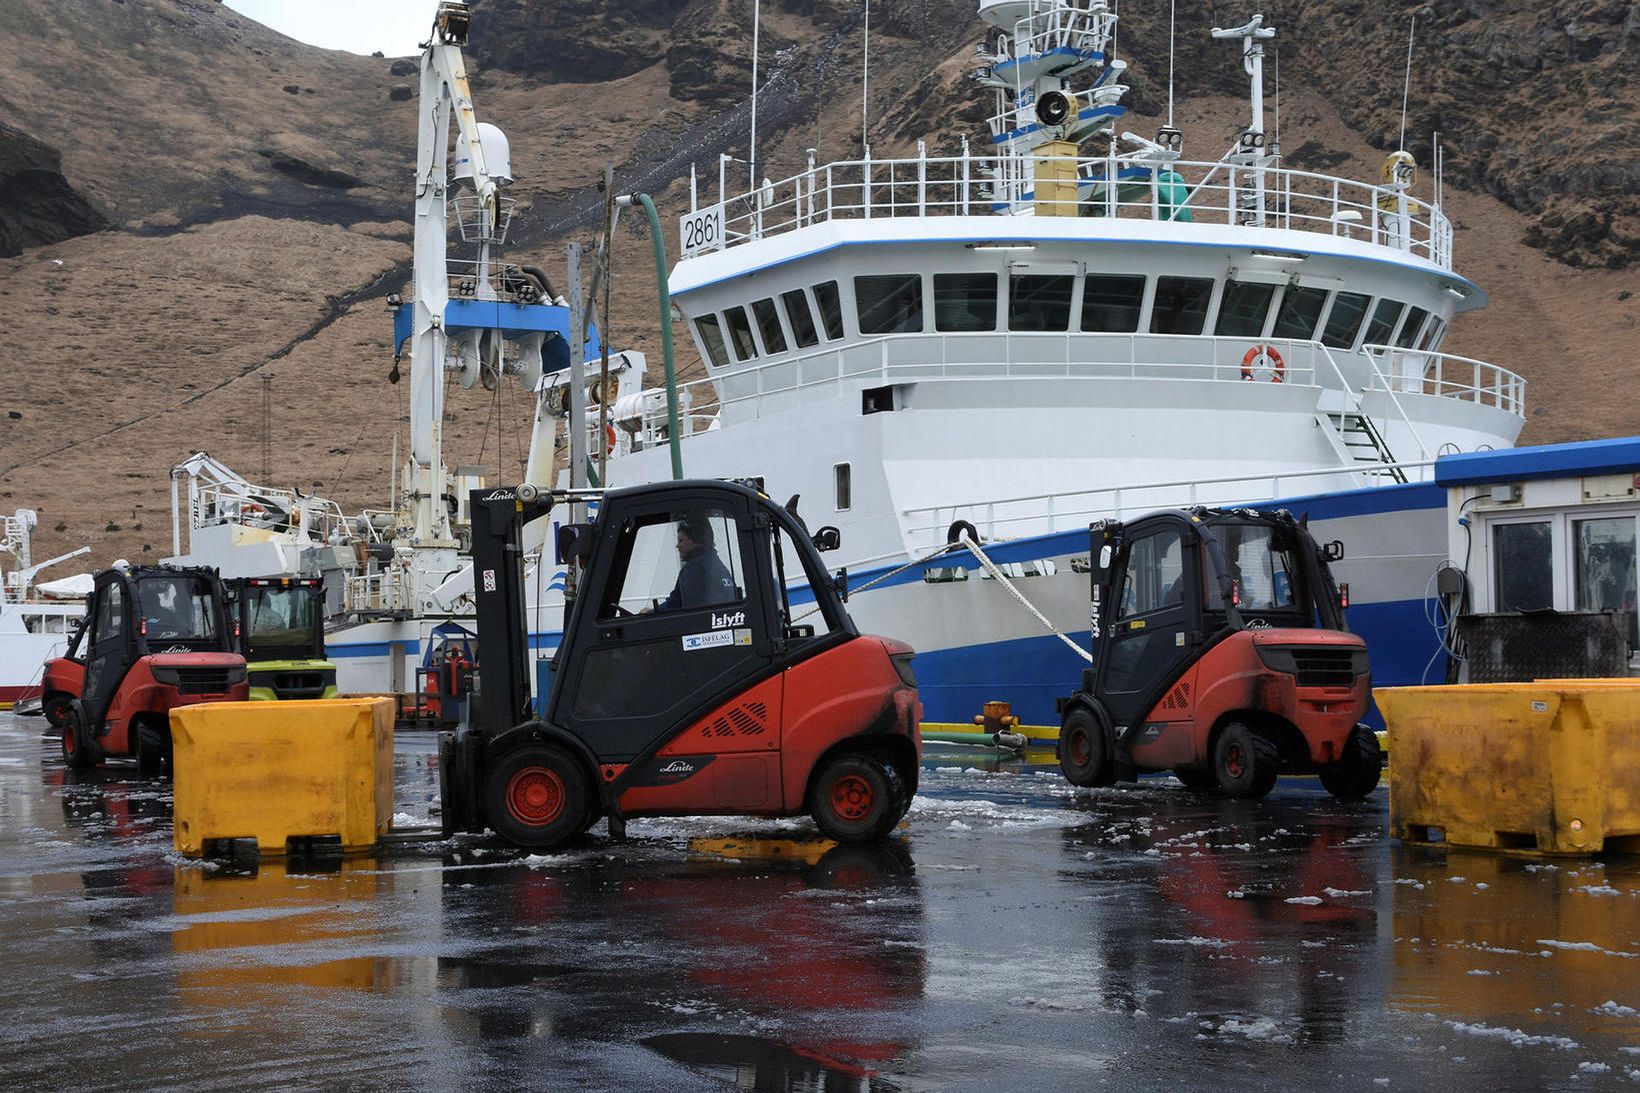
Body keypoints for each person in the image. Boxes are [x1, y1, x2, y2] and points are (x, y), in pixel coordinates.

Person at [653, 517, 736, 611]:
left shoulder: (693, 568)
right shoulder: (718, 565)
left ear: (695, 540)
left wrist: (653, 611)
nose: (677, 545)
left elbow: (675, 603)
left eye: (681, 540)